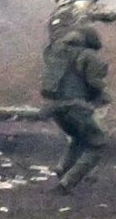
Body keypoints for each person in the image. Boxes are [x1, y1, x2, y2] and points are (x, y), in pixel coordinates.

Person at [41, 25, 110, 194]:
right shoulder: (88, 55)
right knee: (98, 143)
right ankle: (66, 183)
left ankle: (62, 167)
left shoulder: (55, 51)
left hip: (55, 107)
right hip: (76, 106)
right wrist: (103, 98)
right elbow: (95, 83)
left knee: (79, 138)